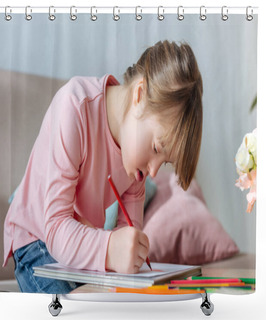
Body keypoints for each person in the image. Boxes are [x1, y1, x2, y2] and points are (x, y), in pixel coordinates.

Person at [3, 40, 203, 293]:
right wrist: (110, 248)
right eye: (156, 148)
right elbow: (55, 229)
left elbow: (125, 237)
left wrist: (129, 253)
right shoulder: (74, 106)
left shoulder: (137, 166)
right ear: (139, 95)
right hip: (37, 239)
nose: (153, 171)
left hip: (76, 246)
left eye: (164, 162)